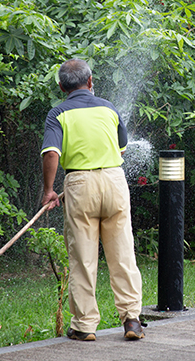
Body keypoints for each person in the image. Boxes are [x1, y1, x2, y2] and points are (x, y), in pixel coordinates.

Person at [39, 58, 145, 341]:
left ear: (62, 86)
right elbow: (121, 149)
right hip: (114, 180)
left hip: (80, 184)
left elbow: (51, 153)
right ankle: (132, 320)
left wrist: (49, 190)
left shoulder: (58, 113)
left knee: (83, 258)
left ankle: (85, 326)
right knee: (123, 253)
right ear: (90, 82)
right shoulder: (109, 108)